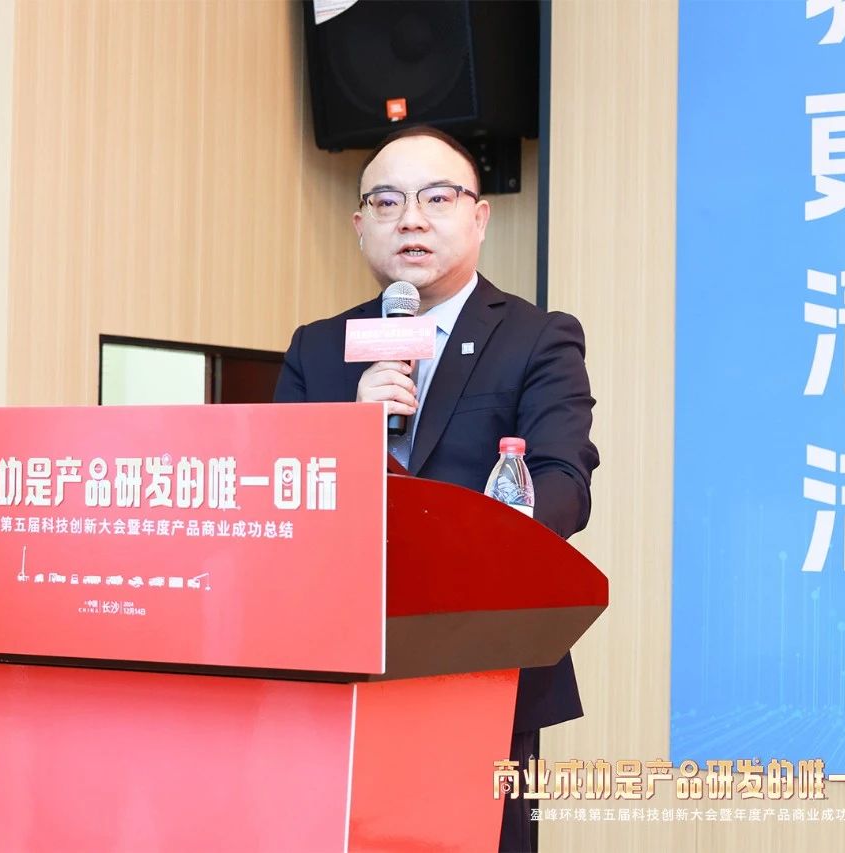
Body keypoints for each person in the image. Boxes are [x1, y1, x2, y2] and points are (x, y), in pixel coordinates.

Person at [273, 126, 599, 852]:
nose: (411, 220)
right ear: (360, 226)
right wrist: (350, 430)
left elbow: (564, 485)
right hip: (336, 666)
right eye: (387, 202)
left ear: (479, 217)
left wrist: (473, 547)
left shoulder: (537, 338)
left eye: (437, 198)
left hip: (481, 664)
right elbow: (280, 493)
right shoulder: (317, 348)